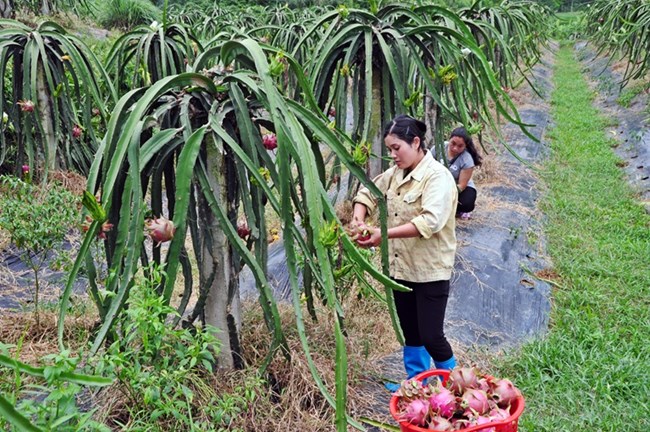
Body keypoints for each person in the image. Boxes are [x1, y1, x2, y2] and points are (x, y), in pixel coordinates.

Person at [350, 115, 458, 392]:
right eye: (389, 149)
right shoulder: (395, 174)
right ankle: (418, 385)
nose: (393, 155)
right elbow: (368, 191)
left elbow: (430, 222)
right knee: (411, 332)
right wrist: (358, 218)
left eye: (397, 148)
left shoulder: (437, 177)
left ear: (416, 142)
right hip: (401, 268)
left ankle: (454, 388)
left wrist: (381, 235)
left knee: (432, 335)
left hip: (430, 269)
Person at [445, 127, 482, 220]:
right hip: (437, 184)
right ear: (449, 139)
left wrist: (444, 194)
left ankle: (456, 209)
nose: (455, 148)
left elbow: (461, 186)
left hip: (457, 188)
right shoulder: (438, 147)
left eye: (460, 146)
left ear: (465, 146)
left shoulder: (467, 160)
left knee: (466, 203)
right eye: (453, 143)